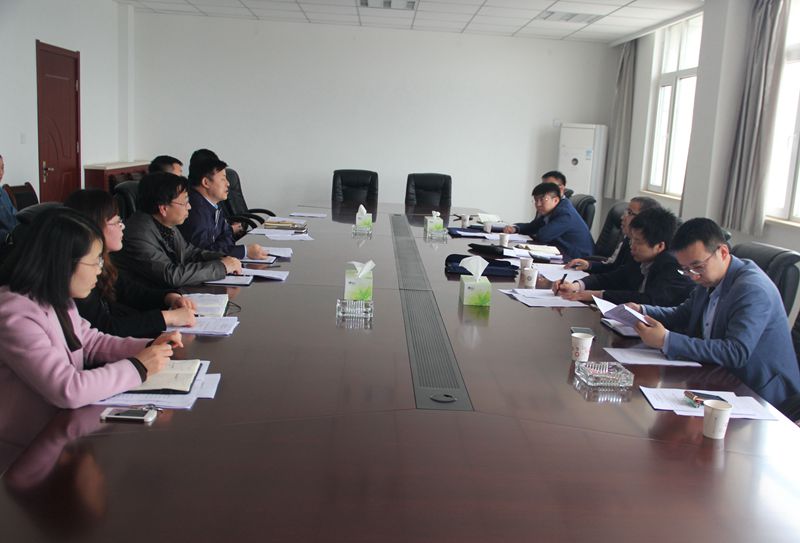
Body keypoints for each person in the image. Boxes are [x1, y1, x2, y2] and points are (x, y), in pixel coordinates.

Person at [0, 208, 181, 416]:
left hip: (64, 421)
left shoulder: (58, 298)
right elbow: (67, 389)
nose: (99, 270)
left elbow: (92, 343)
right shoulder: (14, 314)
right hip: (32, 433)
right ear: (64, 264)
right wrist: (138, 366)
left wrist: (148, 346)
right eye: (96, 261)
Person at [629, 218, 800, 407]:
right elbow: (683, 313)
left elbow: (736, 351)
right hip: (718, 378)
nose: (693, 276)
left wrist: (666, 340)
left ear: (723, 252)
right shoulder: (710, 278)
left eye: (697, 267)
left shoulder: (752, 289)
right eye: (686, 270)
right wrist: (642, 310)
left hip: (759, 394)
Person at [65, 189, 197, 338]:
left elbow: (131, 292)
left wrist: (170, 298)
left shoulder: (104, 263)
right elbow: (104, 328)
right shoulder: (79, 276)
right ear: (94, 227)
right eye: (117, 222)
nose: (123, 226)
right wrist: (168, 317)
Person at [113, 171, 242, 288]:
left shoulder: (166, 224)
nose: (189, 207)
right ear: (163, 209)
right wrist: (222, 267)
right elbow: (171, 275)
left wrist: (223, 258)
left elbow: (190, 253)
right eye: (185, 202)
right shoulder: (139, 234)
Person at [553, 207, 693, 306]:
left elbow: (649, 300)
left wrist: (595, 294)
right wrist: (577, 286)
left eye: (638, 242)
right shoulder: (641, 257)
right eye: (632, 240)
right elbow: (613, 278)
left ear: (660, 246)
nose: (632, 245)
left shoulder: (672, 265)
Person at [178, 155, 268, 260]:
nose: (228, 183)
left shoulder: (212, 203)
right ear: (206, 182)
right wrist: (244, 251)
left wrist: (222, 246)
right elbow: (203, 254)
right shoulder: (195, 211)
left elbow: (227, 234)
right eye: (223, 179)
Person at [564, 196, 660, 273]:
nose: (623, 217)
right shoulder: (627, 239)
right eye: (626, 211)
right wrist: (589, 265)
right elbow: (613, 266)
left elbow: (623, 280)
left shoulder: (645, 250)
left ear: (644, 219)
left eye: (630, 213)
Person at [503, 182, 594, 260]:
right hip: (561, 252)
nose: (538, 204)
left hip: (577, 257)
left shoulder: (565, 213)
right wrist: (515, 228)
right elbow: (533, 226)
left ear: (555, 200)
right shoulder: (553, 209)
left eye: (542, 200)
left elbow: (543, 236)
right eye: (536, 200)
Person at [0, 154, 20, 242]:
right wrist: (7, 237)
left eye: (2, 168)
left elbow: (14, 214)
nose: (1, 173)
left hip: (16, 236)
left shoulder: (3, 193)